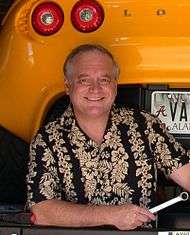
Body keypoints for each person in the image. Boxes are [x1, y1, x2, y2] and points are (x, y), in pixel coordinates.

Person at [26, 44, 190, 230]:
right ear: (67, 86)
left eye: (104, 80)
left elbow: (186, 174)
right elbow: (42, 212)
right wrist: (111, 215)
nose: (95, 89)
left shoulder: (145, 125)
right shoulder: (47, 139)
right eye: (84, 80)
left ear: (115, 85)